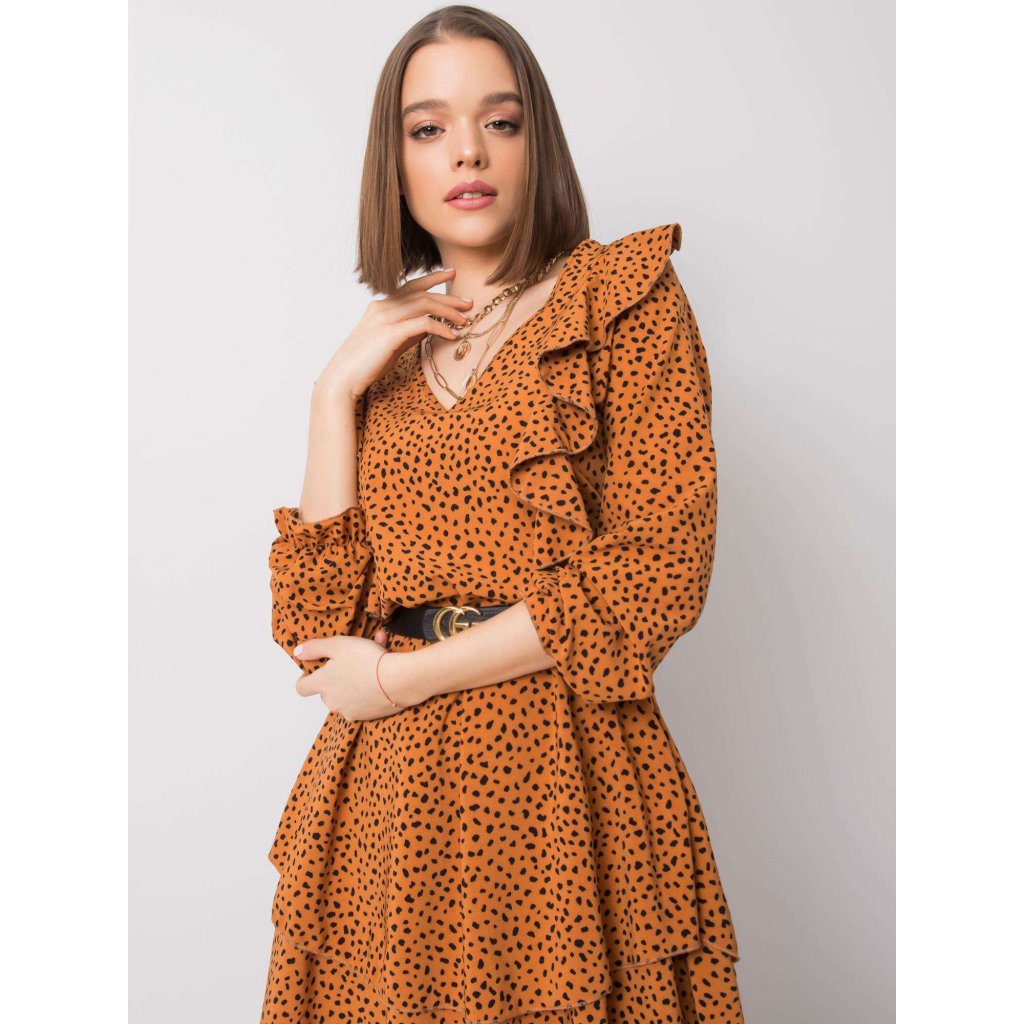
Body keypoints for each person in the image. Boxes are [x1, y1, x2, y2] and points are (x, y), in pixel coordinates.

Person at [260, 7, 746, 1023]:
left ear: (537, 144)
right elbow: (313, 625)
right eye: (428, 127)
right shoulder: (384, 358)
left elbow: (657, 573)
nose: (468, 151)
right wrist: (331, 393)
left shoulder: (623, 298)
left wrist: (397, 678)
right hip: (392, 815)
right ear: (394, 164)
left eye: (500, 121)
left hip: (568, 785)